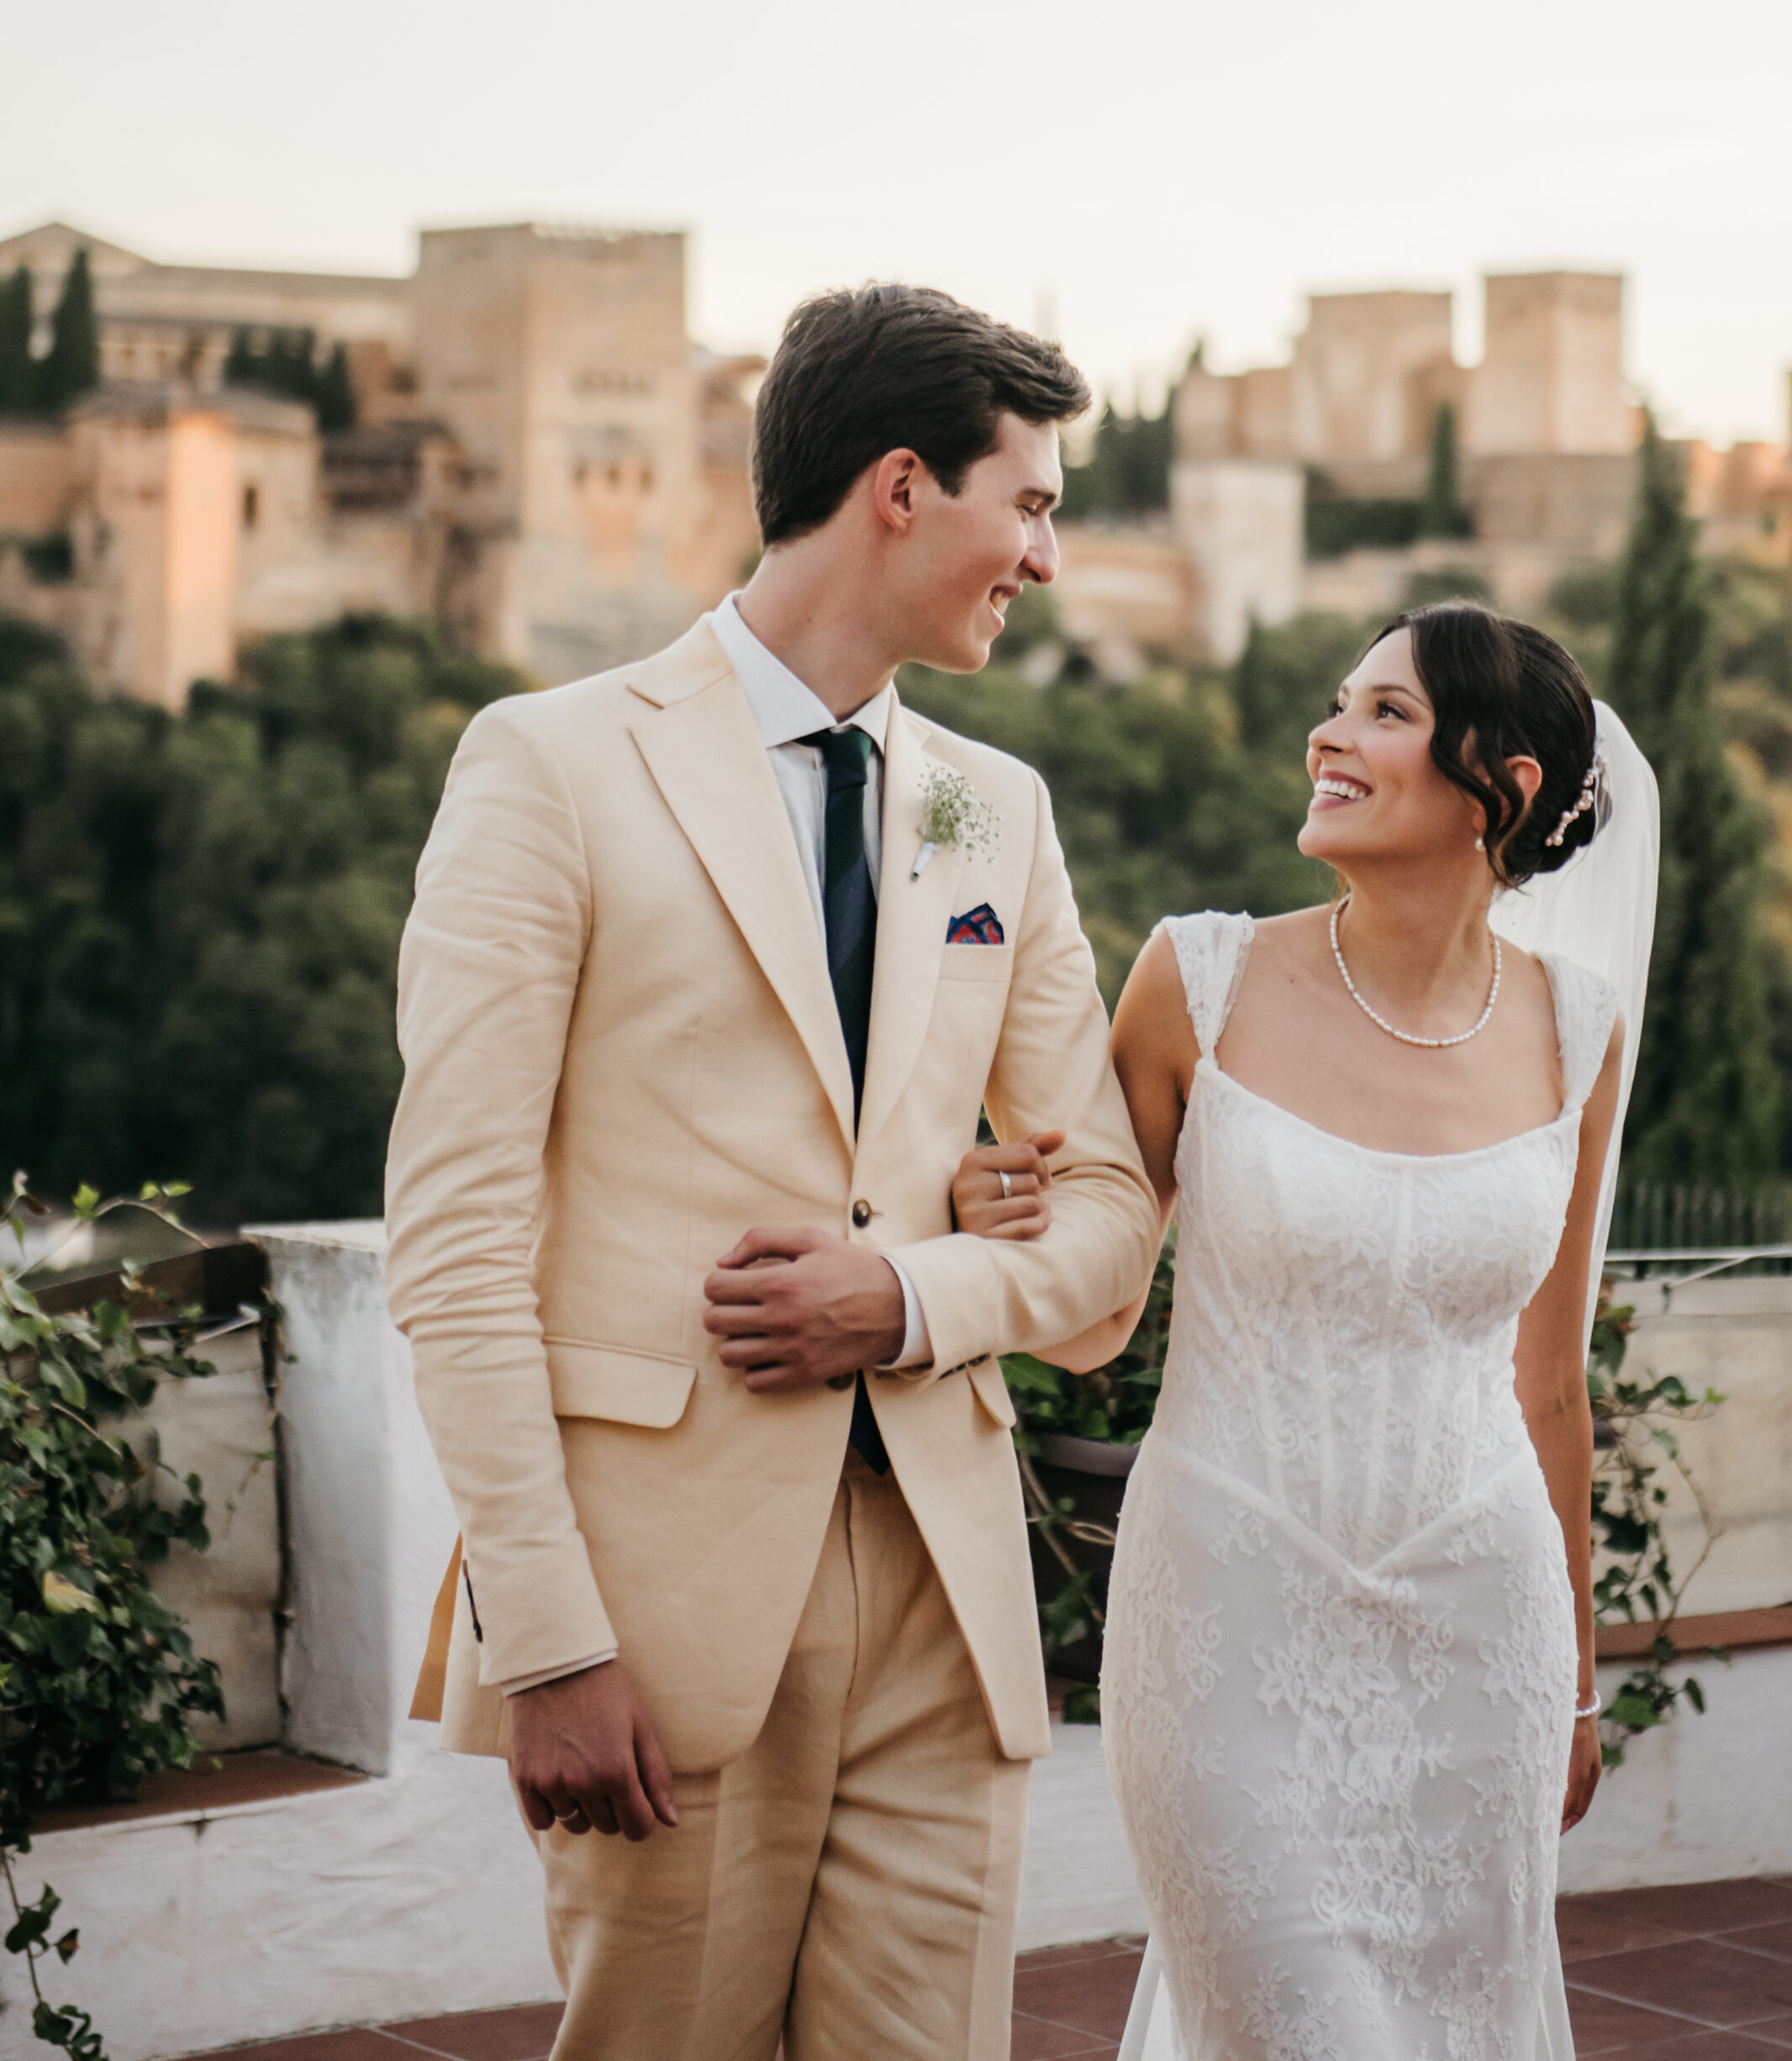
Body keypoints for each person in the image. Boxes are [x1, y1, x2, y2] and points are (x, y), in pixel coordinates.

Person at [385, 283, 1157, 2061]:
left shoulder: (994, 811)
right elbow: (457, 1243)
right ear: (901, 486)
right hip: (657, 1605)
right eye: (1025, 501)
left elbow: (1107, 1224)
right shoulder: (549, 765)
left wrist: (907, 1291)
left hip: (945, 1602)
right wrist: (549, 1639)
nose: (1041, 551)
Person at [957, 604, 1659, 2058]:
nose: (1326, 738)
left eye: (1386, 714)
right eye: (1341, 705)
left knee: (1460, 2022)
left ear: (1505, 789)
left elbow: (1548, 1383)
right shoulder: (1195, 981)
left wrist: (1578, 1685)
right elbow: (1095, 1314)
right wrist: (998, 1216)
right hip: (1228, 1613)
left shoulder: (1575, 1029)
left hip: (1486, 1634)